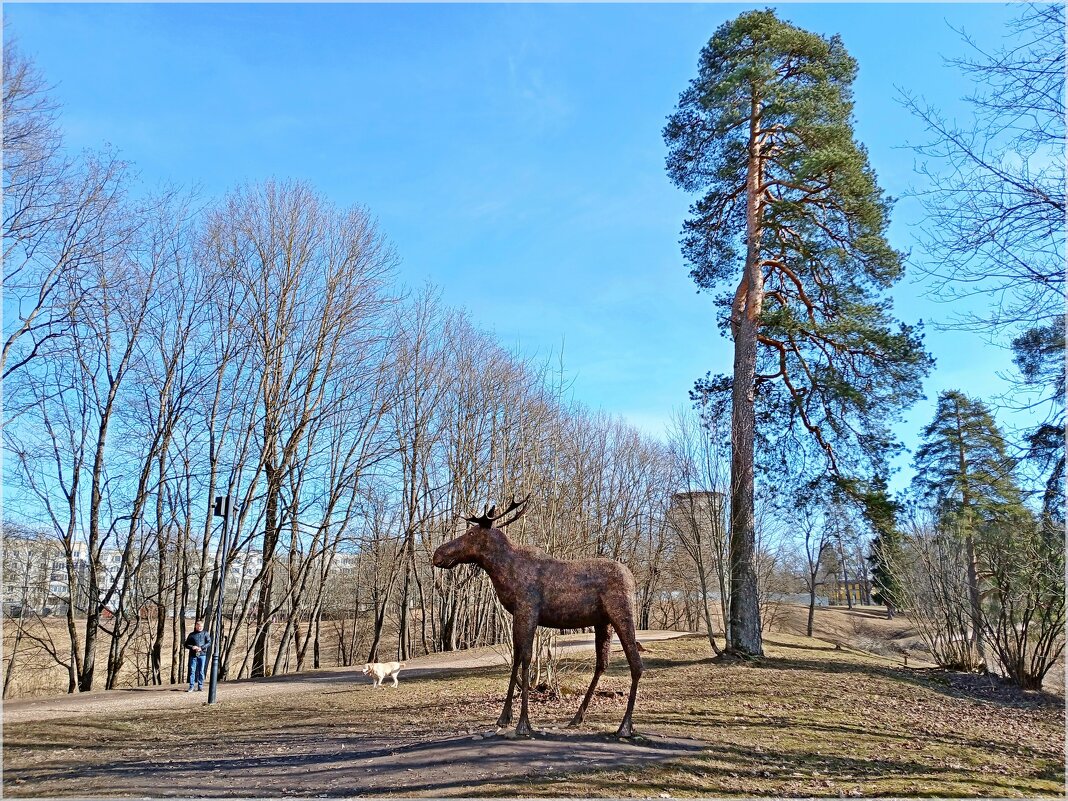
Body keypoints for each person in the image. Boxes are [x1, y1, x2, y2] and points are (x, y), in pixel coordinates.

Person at [184, 619, 211, 692]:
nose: (200, 628)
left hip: (202, 654)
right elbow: (186, 644)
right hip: (193, 655)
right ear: (196, 626)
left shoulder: (205, 634)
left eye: (201, 626)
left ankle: (200, 686)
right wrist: (192, 647)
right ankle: (191, 686)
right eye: (198, 626)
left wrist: (201, 648)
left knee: (201, 671)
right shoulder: (191, 635)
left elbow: (209, 642)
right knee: (192, 671)